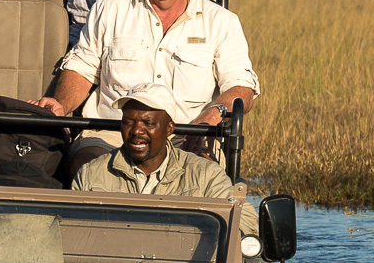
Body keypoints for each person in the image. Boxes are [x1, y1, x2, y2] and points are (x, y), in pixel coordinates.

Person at [39, 0, 258, 146]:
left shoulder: (222, 21)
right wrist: (61, 104)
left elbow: (241, 87)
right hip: (112, 135)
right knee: (89, 165)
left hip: (186, 138)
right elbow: (82, 68)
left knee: (202, 177)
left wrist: (212, 116)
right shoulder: (110, 7)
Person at [71, 86, 254, 235]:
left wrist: (214, 238)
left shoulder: (205, 174)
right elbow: (73, 231)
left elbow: (245, 219)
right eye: (128, 122)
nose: (136, 131)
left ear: (169, 129)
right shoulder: (92, 173)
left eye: (148, 123)